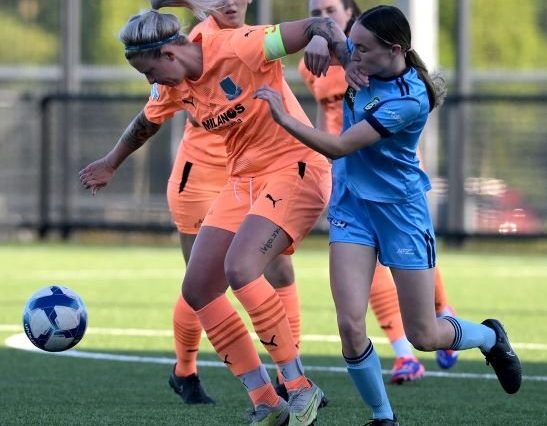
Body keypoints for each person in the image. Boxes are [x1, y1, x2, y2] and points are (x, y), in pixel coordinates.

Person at [79, 1, 350, 424]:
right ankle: (265, 399)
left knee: (243, 269)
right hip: (242, 180)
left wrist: (325, 43)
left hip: (295, 169)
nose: (152, 82)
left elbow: (319, 24)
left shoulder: (241, 45)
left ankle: (299, 387)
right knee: (199, 288)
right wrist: (112, 162)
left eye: (150, 73)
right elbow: (145, 122)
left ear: (169, 54)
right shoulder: (174, 85)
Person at [256, 5, 522, 424]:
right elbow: (330, 31)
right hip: (352, 209)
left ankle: (490, 337)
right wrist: (326, 39)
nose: (352, 54)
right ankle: (384, 417)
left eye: (361, 49)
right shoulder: (361, 59)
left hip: (400, 214)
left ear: (394, 51)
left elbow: (339, 147)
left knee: (424, 334)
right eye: (352, 46)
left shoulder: (409, 98)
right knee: (349, 323)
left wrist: (283, 117)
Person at [299, 0, 459, 379]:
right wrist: (321, 39)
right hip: (351, 185)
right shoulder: (336, 59)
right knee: (358, 287)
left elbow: (347, 139)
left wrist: (282, 117)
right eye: (315, 12)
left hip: (391, 185)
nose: (322, 18)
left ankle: (444, 315)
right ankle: (401, 360)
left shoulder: (385, 69)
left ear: (351, 13)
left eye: (329, 11)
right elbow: (328, 120)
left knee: (419, 306)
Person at [161, 0, 302, 404]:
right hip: (201, 176)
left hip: (252, 172)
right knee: (204, 285)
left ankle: (288, 377)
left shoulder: (250, 41)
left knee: (280, 272)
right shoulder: (186, 44)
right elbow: (151, 110)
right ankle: (184, 370)